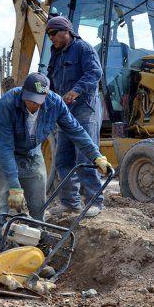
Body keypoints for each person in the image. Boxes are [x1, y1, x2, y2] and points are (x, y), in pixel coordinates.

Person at [0, 72, 111, 254]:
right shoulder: (7, 103)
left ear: (46, 96)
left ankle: (33, 248)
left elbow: (75, 130)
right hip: (2, 156)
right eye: (30, 99)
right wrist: (14, 185)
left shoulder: (56, 104)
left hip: (32, 154)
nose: (34, 104)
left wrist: (96, 156)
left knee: (38, 205)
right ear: (23, 92)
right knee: (0, 205)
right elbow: (4, 147)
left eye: (39, 100)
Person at [45, 16, 106, 217]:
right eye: (48, 35)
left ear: (66, 31)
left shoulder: (83, 49)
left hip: (84, 109)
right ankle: (70, 203)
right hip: (64, 113)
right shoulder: (55, 54)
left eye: (53, 33)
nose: (51, 38)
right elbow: (50, 82)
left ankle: (95, 202)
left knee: (85, 156)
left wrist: (76, 90)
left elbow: (95, 73)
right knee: (63, 159)